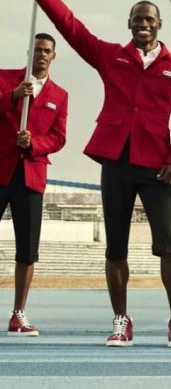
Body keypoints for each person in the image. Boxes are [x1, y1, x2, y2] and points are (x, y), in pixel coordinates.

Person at [8, 0, 171, 348]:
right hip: (115, 161)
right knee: (116, 245)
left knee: (169, 244)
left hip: (158, 166)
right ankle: (120, 320)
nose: (143, 23)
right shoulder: (112, 55)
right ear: (129, 24)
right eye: (137, 18)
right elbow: (72, 28)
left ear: (159, 25)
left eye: (150, 18)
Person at [0, 33, 67, 336]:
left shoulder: (60, 95)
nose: (42, 54)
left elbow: (59, 137)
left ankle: (19, 314)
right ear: (30, 52)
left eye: (47, 51)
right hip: (1, 169)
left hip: (31, 175)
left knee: (27, 249)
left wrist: (34, 143)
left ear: (53, 57)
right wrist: (13, 96)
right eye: (38, 49)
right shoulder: (5, 79)